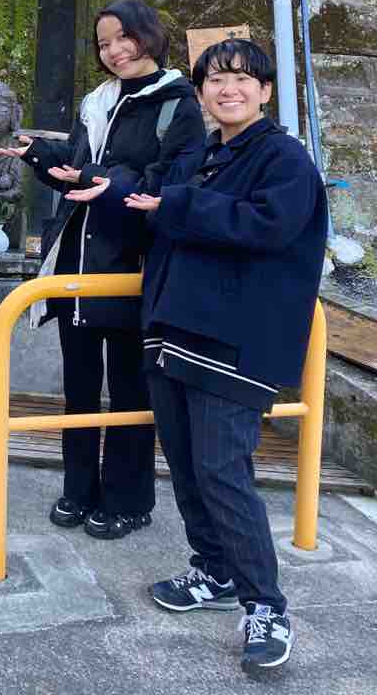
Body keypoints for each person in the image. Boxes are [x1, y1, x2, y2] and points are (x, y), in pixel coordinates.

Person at [118, 38, 327, 671]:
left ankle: (267, 607)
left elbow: (267, 226)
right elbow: (161, 209)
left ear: (265, 91)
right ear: (201, 92)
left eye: (240, 78)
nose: (226, 89)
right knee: (187, 466)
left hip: (235, 345)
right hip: (179, 334)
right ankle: (214, 570)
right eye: (214, 80)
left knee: (223, 473)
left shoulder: (285, 159)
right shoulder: (210, 153)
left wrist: (177, 206)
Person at [0, 0, 205, 539]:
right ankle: (79, 488)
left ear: (148, 35)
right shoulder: (98, 100)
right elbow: (77, 172)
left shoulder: (178, 104)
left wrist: (103, 181)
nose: (114, 51)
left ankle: (128, 500)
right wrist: (38, 156)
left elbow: (169, 185)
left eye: (122, 38)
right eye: (104, 43)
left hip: (132, 266)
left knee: (132, 393)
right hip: (78, 263)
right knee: (80, 389)